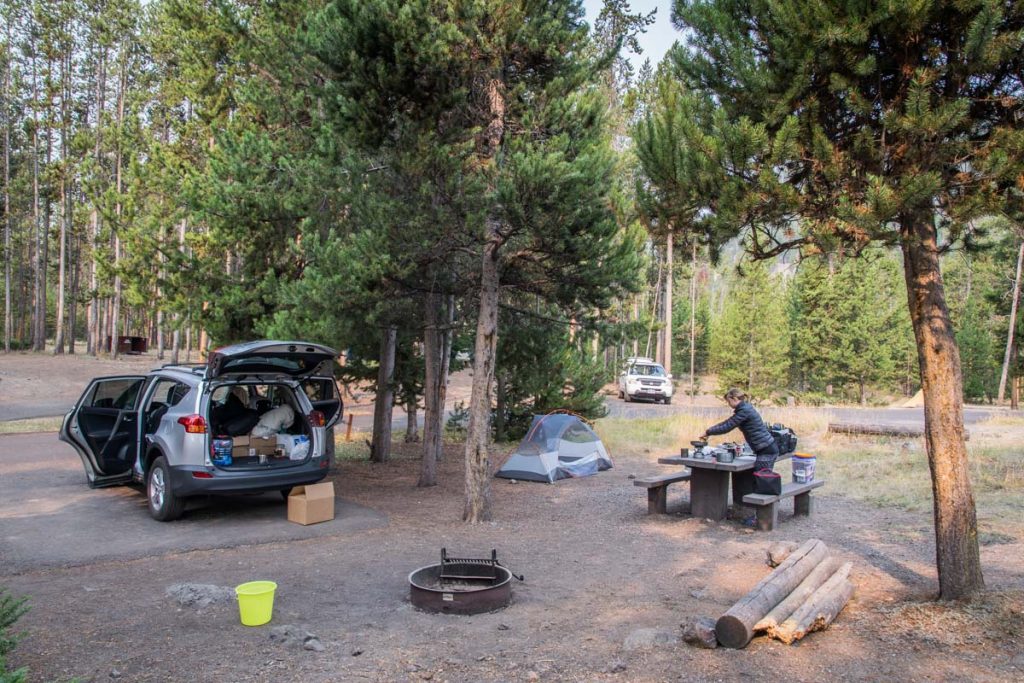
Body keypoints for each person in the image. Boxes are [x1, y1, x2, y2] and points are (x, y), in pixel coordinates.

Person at [699, 387, 778, 527]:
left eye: (728, 401)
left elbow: (727, 426)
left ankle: (760, 519)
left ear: (734, 399)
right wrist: (709, 431)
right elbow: (727, 422)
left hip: (766, 450)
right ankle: (756, 515)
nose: (728, 404)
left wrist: (708, 432)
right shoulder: (745, 409)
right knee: (758, 482)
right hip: (765, 448)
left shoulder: (744, 411)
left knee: (761, 484)